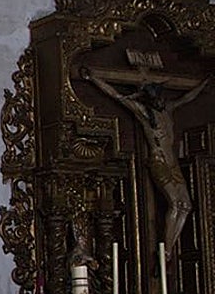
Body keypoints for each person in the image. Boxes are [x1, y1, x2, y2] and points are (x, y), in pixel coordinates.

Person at [81, 67, 211, 258]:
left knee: (186, 205)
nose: (160, 100)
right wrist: (93, 78)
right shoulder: (143, 113)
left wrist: (204, 83)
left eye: (160, 97)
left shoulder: (168, 109)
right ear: (149, 98)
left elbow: (187, 98)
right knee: (176, 204)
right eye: (155, 97)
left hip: (172, 164)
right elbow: (116, 96)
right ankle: (166, 251)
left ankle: (170, 247)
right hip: (159, 162)